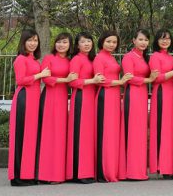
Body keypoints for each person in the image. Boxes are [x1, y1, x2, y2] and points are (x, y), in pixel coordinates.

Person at [8, 29, 49, 186]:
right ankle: (18, 177)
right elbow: (20, 80)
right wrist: (40, 75)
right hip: (24, 99)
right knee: (21, 136)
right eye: (30, 40)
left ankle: (28, 173)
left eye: (35, 40)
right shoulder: (20, 59)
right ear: (23, 42)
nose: (33, 43)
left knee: (30, 137)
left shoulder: (34, 60)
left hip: (34, 100)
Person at [36, 33, 77, 183]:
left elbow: (74, 79)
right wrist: (65, 79)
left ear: (70, 45)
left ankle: (58, 173)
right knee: (48, 135)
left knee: (60, 135)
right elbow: (45, 78)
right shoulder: (49, 58)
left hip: (62, 98)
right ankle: (45, 174)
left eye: (65, 42)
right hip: (49, 97)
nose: (61, 45)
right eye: (59, 42)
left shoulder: (70, 61)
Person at [119, 29, 158, 180]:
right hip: (133, 95)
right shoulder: (128, 57)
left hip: (142, 95)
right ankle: (131, 171)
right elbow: (129, 78)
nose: (143, 42)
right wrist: (149, 80)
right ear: (134, 40)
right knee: (133, 132)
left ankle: (140, 170)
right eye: (140, 39)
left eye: (146, 40)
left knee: (140, 133)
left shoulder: (144, 57)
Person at [94, 30, 133, 182]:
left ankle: (113, 169)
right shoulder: (99, 58)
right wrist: (120, 82)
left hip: (115, 97)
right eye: (108, 41)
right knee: (106, 134)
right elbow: (100, 80)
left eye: (114, 42)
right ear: (102, 42)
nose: (111, 44)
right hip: (105, 96)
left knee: (113, 133)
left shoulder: (111, 57)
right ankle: (105, 172)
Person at [66, 32, 104, 183]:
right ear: (77, 45)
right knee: (80, 134)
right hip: (81, 97)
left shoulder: (92, 59)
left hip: (92, 99)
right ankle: (79, 173)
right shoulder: (76, 59)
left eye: (89, 41)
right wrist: (92, 81)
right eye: (83, 42)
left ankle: (88, 170)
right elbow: (72, 82)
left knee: (89, 135)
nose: (87, 44)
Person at [149, 29, 173, 178]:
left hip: (172, 95)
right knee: (161, 128)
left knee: (170, 130)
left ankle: (169, 165)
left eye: (168, 38)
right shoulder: (155, 57)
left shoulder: (171, 57)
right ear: (157, 41)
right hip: (162, 93)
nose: (165, 41)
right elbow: (156, 78)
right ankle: (160, 166)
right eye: (162, 38)